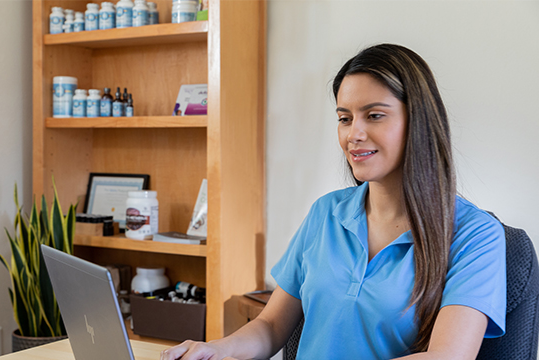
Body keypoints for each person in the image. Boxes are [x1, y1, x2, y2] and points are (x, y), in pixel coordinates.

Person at [160, 44, 506, 360]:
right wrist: (214, 351)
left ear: (418, 122)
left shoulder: (475, 235)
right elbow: (270, 327)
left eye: (374, 115)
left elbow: (447, 357)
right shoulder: (327, 213)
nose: (353, 134)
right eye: (344, 118)